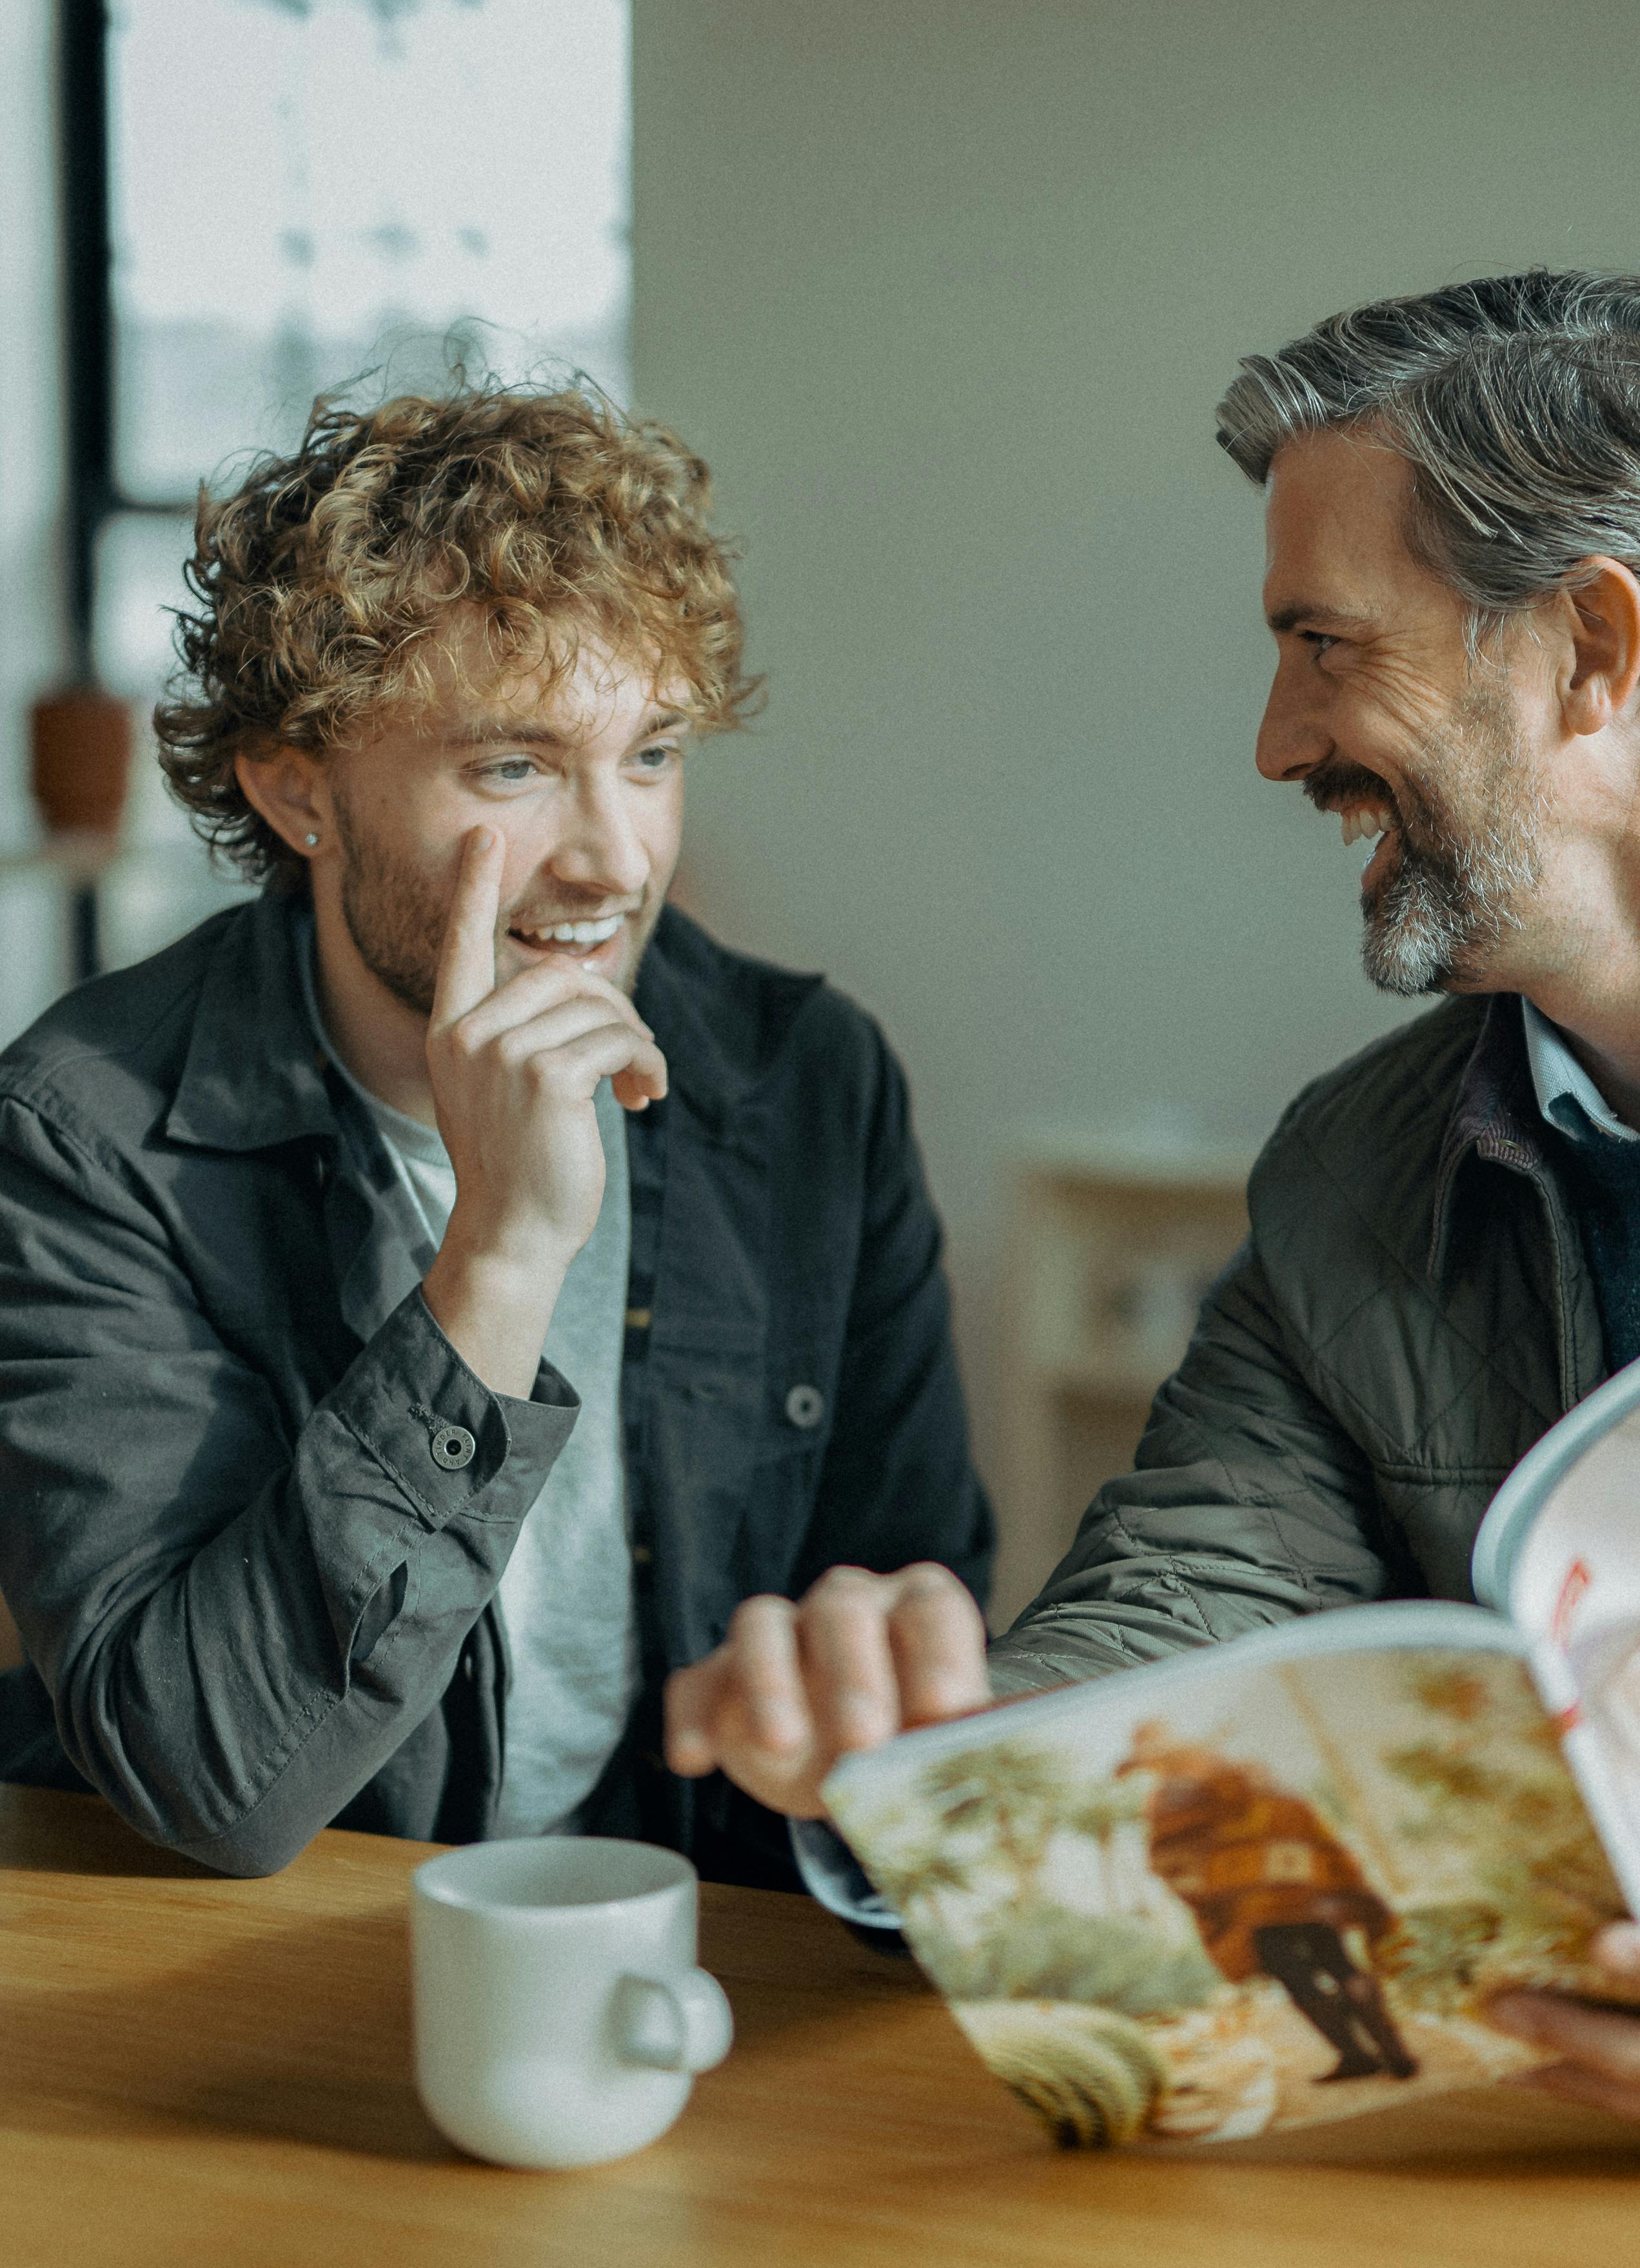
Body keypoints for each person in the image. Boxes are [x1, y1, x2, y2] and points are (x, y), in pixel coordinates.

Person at [671, 271, 1640, 2181]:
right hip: (1564, 2190)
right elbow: (1173, 1624)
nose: (1270, 739)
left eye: (1324, 643)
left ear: (1589, 648)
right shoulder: (1346, 1173)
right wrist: (935, 1757)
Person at [0, 384, 992, 1888]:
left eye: (650, 755)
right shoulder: (89, 1132)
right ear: (296, 788)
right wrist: (501, 1258)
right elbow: (208, 1780)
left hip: (670, 1938)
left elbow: (910, 1615)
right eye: (515, 767)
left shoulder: (806, 1085)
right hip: (247, 1970)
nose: (615, 859)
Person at [1120, 1721, 1417, 2084]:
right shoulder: (1248, 1775)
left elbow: (1172, 1855)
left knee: (1295, 1977)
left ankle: (1356, 2056)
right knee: (1340, 1964)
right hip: (1308, 1890)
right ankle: (1396, 2053)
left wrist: (1217, 1892)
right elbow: (1300, 1819)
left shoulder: (1175, 1794)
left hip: (1253, 1905)